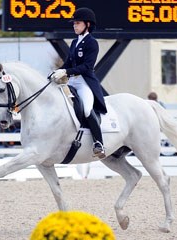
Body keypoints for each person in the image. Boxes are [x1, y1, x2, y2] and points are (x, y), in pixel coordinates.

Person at [50, 7, 107, 159]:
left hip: (84, 83)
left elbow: (87, 66)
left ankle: (98, 143)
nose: (74, 26)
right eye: (74, 23)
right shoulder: (75, 42)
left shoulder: (92, 43)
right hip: (71, 82)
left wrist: (66, 72)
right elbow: (68, 63)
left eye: (78, 23)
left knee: (87, 110)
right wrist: (57, 72)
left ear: (87, 25)